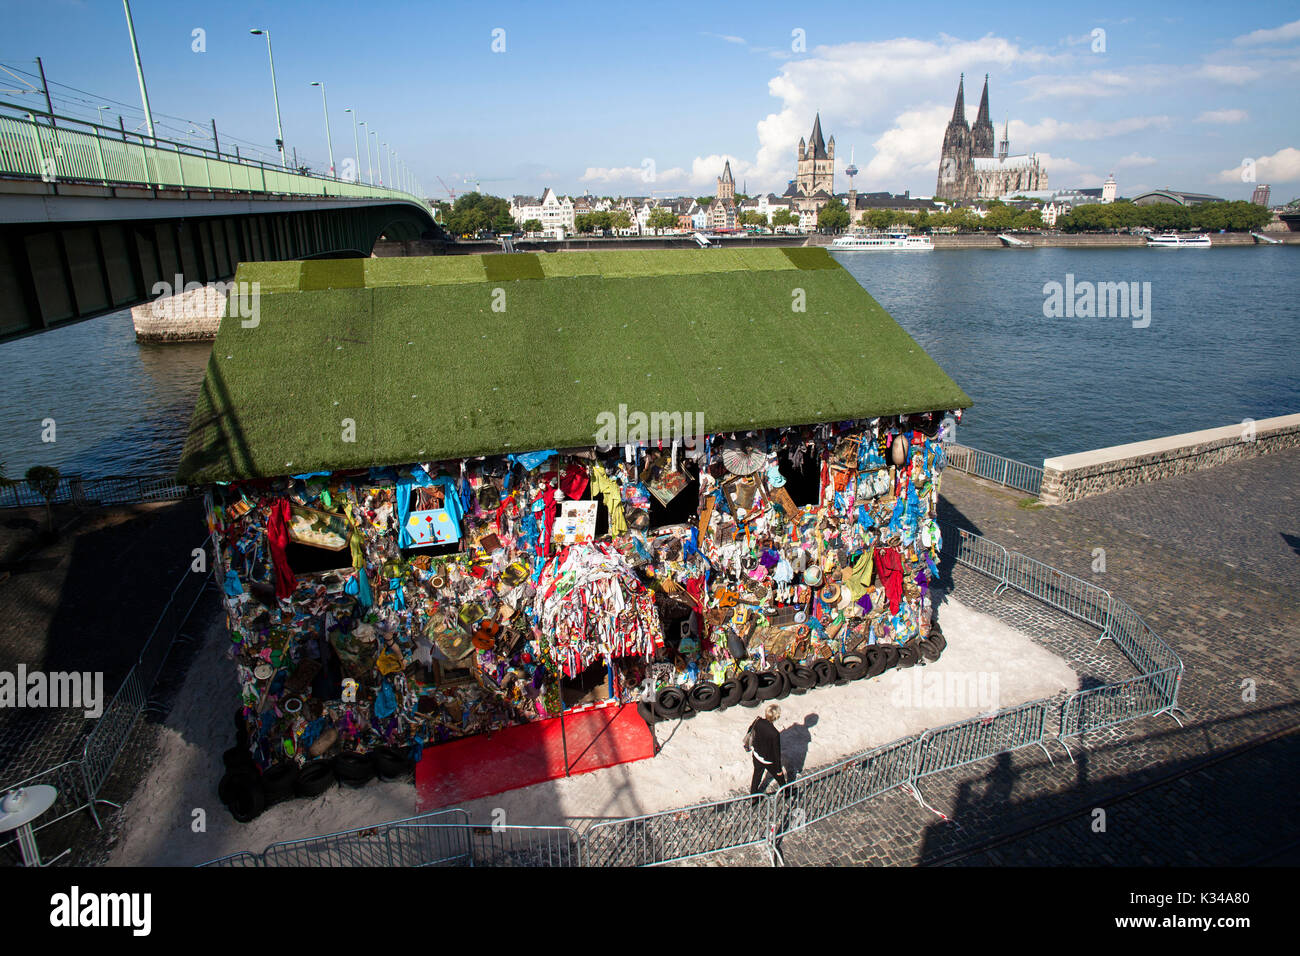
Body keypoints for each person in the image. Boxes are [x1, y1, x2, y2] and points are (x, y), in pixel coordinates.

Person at [747, 703, 787, 794]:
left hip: (756, 756)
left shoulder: (758, 721)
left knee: (756, 776)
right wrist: (779, 770)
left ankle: (753, 796)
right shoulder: (775, 733)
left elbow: (750, 731)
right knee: (779, 777)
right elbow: (776, 754)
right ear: (776, 717)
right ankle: (787, 791)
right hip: (768, 760)